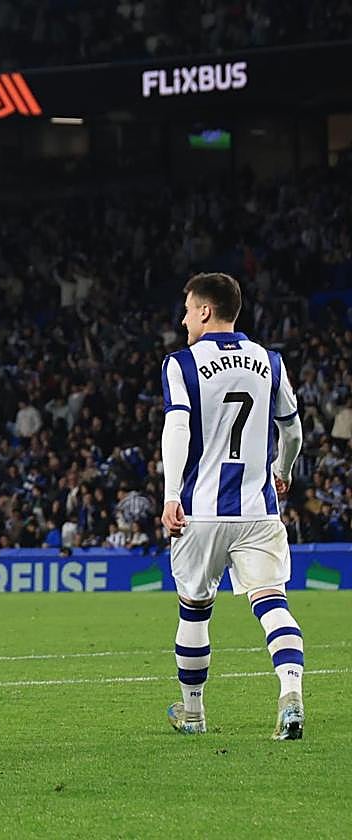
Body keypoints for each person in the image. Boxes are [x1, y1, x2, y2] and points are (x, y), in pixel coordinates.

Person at [160, 272, 304, 740]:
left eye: (187, 310)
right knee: (273, 604)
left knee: (194, 610)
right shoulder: (270, 361)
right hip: (257, 511)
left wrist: (171, 493)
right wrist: (283, 470)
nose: (183, 320)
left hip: (200, 512)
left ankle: (194, 714)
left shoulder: (181, 364)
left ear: (205, 310)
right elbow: (292, 430)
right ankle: (291, 693)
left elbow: (177, 427)